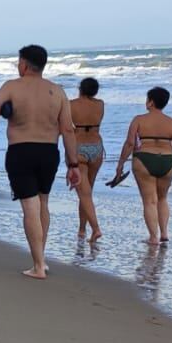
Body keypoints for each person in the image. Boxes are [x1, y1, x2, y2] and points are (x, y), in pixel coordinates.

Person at [0, 44, 80, 279]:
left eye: (18, 62)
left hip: (20, 151)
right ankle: (40, 260)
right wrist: (73, 164)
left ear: (24, 64)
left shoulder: (11, 87)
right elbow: (68, 129)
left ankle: (38, 266)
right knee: (43, 202)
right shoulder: (57, 91)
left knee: (30, 207)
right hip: (49, 152)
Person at [115, 86, 172, 245]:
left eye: (147, 99)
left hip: (144, 159)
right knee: (162, 198)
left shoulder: (139, 120)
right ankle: (164, 233)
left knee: (149, 201)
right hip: (168, 160)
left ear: (150, 102)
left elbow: (129, 143)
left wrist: (121, 163)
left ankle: (153, 237)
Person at [69, 77, 106, 241]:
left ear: (80, 88)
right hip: (97, 148)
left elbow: (65, 126)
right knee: (87, 192)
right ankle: (82, 229)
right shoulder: (100, 104)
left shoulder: (71, 105)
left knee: (84, 194)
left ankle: (95, 228)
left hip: (79, 147)